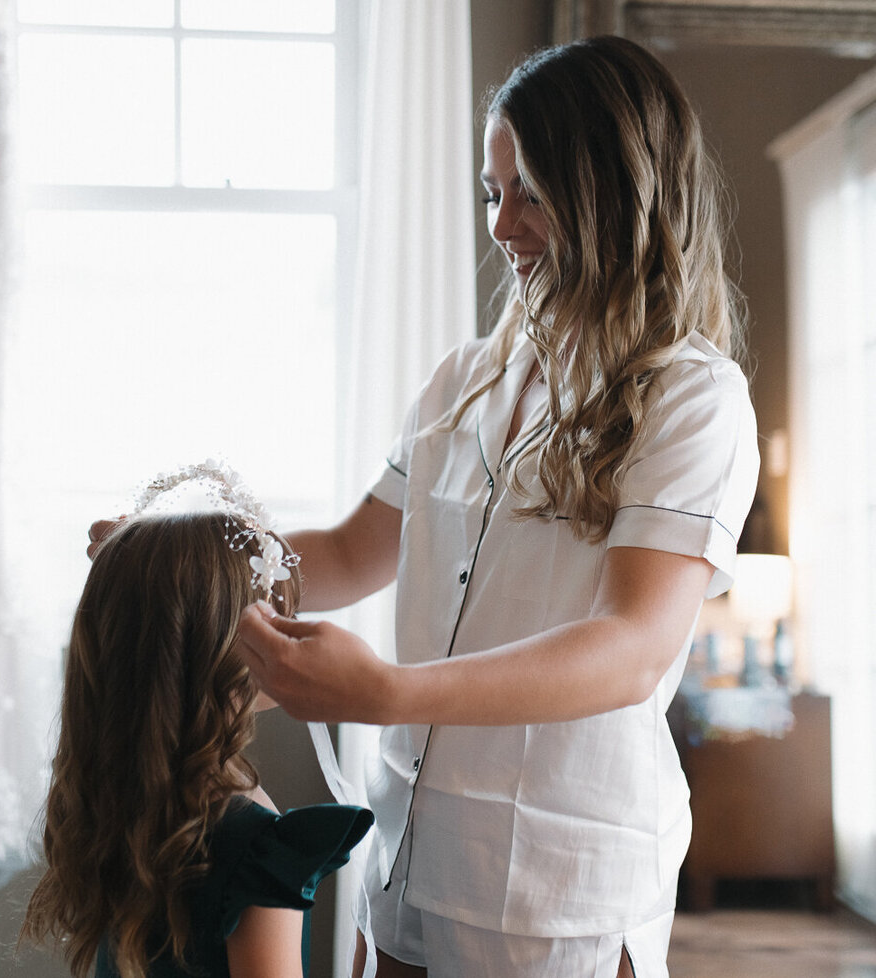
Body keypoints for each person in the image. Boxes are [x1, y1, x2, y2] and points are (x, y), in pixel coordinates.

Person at [227, 35, 760, 978]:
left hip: (561, 893)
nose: (503, 225)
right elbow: (350, 552)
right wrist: (191, 557)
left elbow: (632, 646)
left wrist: (386, 693)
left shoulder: (693, 398)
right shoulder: (462, 380)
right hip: (407, 863)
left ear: (616, 197)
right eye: (492, 193)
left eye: (533, 194)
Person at [22, 486, 374, 978]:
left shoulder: (120, 804)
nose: (291, 632)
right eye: (277, 616)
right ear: (218, 654)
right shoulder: (259, 853)